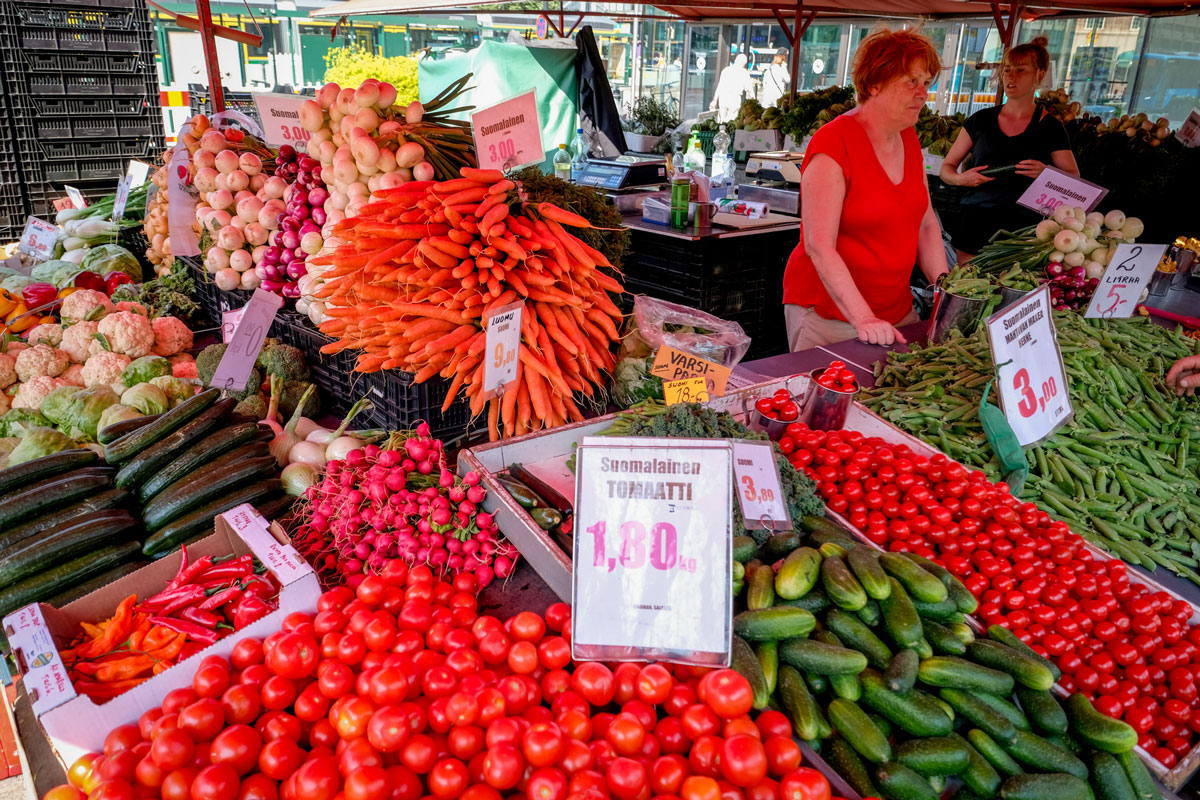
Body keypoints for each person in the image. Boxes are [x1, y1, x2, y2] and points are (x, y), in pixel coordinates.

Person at [783, 27, 951, 351]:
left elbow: (927, 222)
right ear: (874, 83)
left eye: (926, 83)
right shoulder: (834, 144)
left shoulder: (908, 138)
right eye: (911, 81)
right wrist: (863, 318)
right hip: (831, 318)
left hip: (897, 314)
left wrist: (944, 288)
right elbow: (819, 246)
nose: (923, 93)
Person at [939, 37, 1080, 260]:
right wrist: (962, 179)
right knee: (966, 286)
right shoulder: (980, 120)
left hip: (1025, 231)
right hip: (975, 220)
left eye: (1021, 70)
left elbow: (1074, 179)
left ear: (1039, 75)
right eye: (1007, 70)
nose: (1011, 76)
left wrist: (1047, 174)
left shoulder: (1051, 127)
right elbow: (947, 168)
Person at [710, 53, 756, 123]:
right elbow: (749, 90)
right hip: (735, 99)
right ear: (744, 63)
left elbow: (720, 86)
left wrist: (715, 100)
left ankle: (722, 132)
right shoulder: (744, 73)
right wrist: (754, 100)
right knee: (732, 121)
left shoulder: (726, 70)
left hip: (723, 97)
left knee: (722, 121)